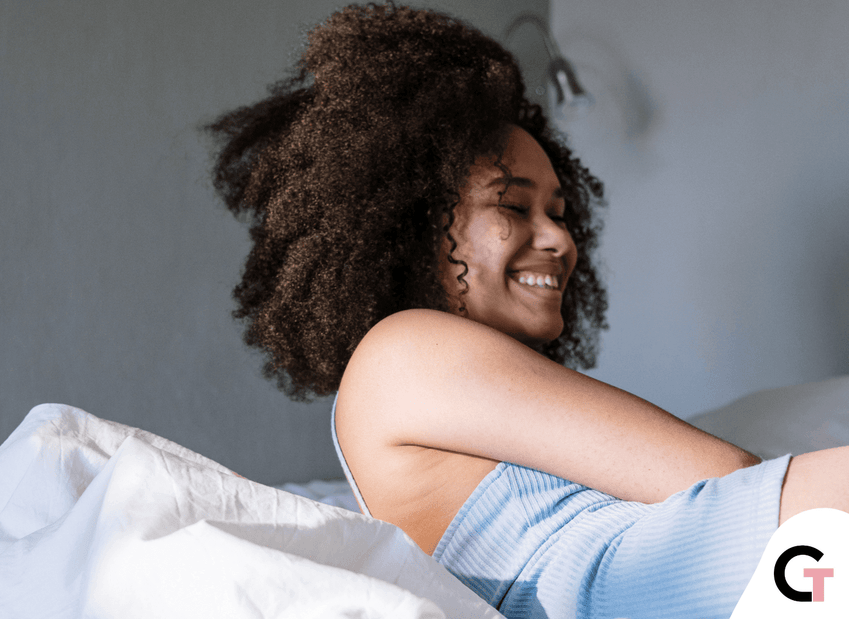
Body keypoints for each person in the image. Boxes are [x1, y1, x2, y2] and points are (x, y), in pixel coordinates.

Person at [206, 3, 849, 617]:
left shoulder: (430, 383)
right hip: (669, 581)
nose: (560, 240)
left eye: (561, 214)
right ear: (413, 223)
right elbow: (725, 479)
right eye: (513, 207)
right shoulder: (401, 350)